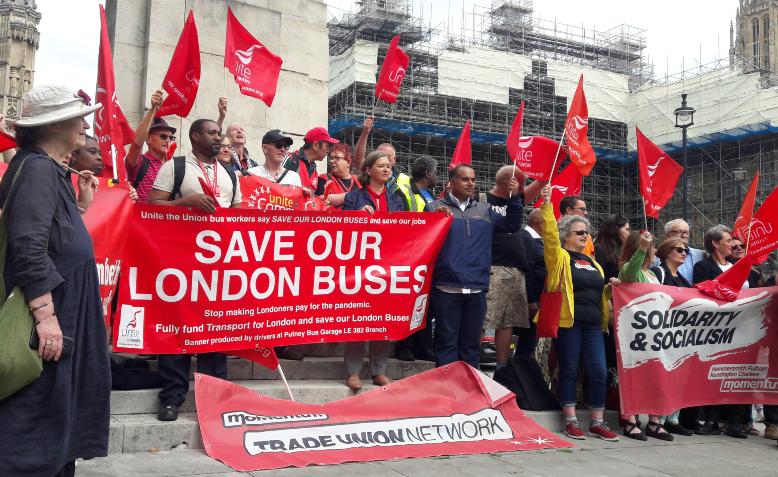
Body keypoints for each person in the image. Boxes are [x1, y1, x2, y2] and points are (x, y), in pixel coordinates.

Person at [0, 85, 110, 476]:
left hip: (63, 314)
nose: (85, 124)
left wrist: (79, 206)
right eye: (78, 117)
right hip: (48, 319)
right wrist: (46, 316)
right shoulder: (37, 170)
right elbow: (28, 248)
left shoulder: (49, 170)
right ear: (53, 124)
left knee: (55, 426)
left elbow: (56, 240)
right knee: (34, 429)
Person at [148, 119, 241, 421]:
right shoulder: (173, 167)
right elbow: (151, 208)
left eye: (220, 134)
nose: (219, 137)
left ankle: (215, 399)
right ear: (195, 136)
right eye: (213, 133)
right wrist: (185, 202)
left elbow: (239, 217)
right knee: (178, 330)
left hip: (219, 267)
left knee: (215, 331)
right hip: (181, 264)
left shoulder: (230, 174)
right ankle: (172, 397)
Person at [538, 184, 619, 441]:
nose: (585, 236)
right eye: (579, 232)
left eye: (586, 232)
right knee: (570, 369)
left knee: (598, 371)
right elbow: (549, 234)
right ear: (566, 235)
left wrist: (609, 288)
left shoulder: (593, 262)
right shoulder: (559, 256)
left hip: (594, 324)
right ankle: (571, 419)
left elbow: (596, 292)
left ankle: (597, 421)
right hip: (568, 323)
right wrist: (547, 204)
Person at [426, 164, 523, 369]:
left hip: (477, 286)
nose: (471, 183)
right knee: (446, 344)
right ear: (452, 182)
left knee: (471, 346)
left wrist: (515, 198)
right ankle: (446, 393)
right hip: (446, 286)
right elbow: (422, 242)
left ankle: (469, 394)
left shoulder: (485, 209)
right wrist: (434, 219)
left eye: (473, 179)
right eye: (465, 179)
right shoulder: (434, 208)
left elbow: (511, 226)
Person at [341, 151, 408, 390]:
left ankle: (379, 371)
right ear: (368, 170)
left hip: (388, 267)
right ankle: (353, 372)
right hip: (360, 268)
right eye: (380, 166)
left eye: (388, 166)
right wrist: (356, 218)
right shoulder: (353, 198)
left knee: (383, 321)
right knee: (358, 320)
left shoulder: (397, 199)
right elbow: (341, 232)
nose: (386, 169)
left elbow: (407, 231)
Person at [483, 165, 545, 371]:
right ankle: (471, 362)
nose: (524, 188)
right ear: (508, 184)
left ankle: (502, 366)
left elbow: (540, 183)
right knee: (484, 319)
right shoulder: (483, 201)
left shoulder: (515, 201)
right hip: (493, 268)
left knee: (507, 320)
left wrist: (556, 158)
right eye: (521, 184)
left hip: (516, 270)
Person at [692, 224, 750, 438]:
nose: (732, 244)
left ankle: (735, 422)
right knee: (715, 372)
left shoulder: (739, 266)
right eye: (727, 240)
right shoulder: (703, 267)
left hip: (743, 327)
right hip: (718, 329)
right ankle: (712, 419)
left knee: (741, 373)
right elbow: (701, 293)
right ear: (715, 243)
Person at [618, 231, 674, 441]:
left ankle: (654, 421)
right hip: (635, 335)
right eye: (649, 249)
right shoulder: (627, 269)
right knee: (634, 376)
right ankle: (631, 420)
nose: (652, 253)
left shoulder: (652, 275)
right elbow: (631, 273)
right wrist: (642, 248)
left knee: (656, 376)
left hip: (655, 333)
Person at [393, 155, 438, 361]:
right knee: (408, 304)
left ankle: (423, 346)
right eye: (435, 171)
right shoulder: (406, 191)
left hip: (426, 256)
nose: (437, 175)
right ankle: (404, 346)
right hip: (409, 254)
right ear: (427, 173)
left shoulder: (429, 194)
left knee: (424, 306)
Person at [648, 238, 694, 437]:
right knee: (663, 376)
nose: (684, 253)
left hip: (679, 335)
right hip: (663, 333)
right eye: (679, 249)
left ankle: (673, 418)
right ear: (667, 252)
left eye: (685, 250)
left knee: (678, 377)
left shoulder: (684, 280)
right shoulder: (659, 272)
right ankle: (659, 419)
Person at [125, 90, 172, 203]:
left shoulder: (173, 165)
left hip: (168, 219)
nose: (168, 141)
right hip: (141, 219)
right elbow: (136, 144)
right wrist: (153, 109)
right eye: (163, 136)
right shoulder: (141, 162)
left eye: (171, 138)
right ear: (149, 139)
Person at [517, 207, 545, 357]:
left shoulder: (535, 240)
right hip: (531, 303)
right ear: (540, 223)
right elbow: (527, 271)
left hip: (537, 300)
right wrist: (531, 300)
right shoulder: (526, 238)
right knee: (527, 344)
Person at [283, 126, 338, 195]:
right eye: (327, 146)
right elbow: (274, 187)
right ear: (316, 145)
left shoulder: (313, 169)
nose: (328, 151)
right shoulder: (290, 160)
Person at [659, 218, 704, 284]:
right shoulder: (656, 259)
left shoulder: (701, 255)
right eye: (680, 232)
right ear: (668, 235)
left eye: (686, 232)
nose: (684, 235)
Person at [322, 143, 361, 209]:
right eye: (331, 158)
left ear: (348, 162)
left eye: (337, 158)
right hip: (334, 218)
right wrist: (353, 196)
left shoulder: (359, 180)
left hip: (357, 218)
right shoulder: (324, 178)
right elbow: (322, 199)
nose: (331, 161)